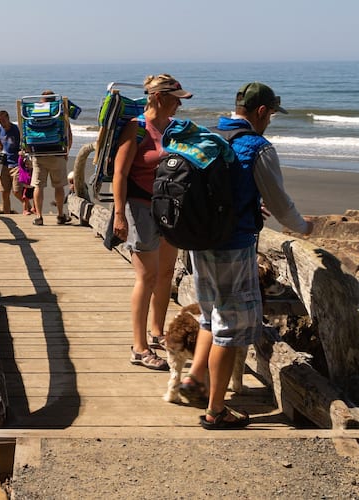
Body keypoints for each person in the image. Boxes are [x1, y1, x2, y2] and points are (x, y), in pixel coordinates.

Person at [182, 82, 314, 429]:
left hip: (200, 244)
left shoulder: (214, 137)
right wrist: (304, 227)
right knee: (230, 327)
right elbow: (282, 205)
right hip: (232, 247)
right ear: (260, 112)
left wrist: (252, 204)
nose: (270, 120)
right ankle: (215, 411)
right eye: (270, 114)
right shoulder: (257, 147)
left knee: (212, 315)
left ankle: (194, 378)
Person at [111, 74, 192, 371]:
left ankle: (157, 332)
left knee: (166, 272)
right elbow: (120, 174)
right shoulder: (137, 129)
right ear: (159, 98)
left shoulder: (173, 128)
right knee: (146, 277)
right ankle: (139, 347)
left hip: (168, 208)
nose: (179, 105)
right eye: (175, 99)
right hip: (139, 207)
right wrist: (119, 214)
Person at [28, 90, 72, 225]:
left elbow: (26, 132)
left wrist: (28, 150)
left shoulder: (32, 113)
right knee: (58, 186)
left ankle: (39, 217)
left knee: (38, 186)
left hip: (38, 154)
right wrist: (66, 151)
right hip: (57, 153)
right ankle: (59, 215)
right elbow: (68, 134)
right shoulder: (59, 113)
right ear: (54, 101)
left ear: (42, 101)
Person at [0, 110, 28, 215]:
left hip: (16, 164)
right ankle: (7, 213)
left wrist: (22, 153)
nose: (2, 123)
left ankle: (28, 207)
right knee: (4, 192)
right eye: (0, 121)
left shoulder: (16, 130)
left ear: (8, 118)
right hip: (5, 164)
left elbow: (24, 145)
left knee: (17, 191)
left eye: (3, 121)